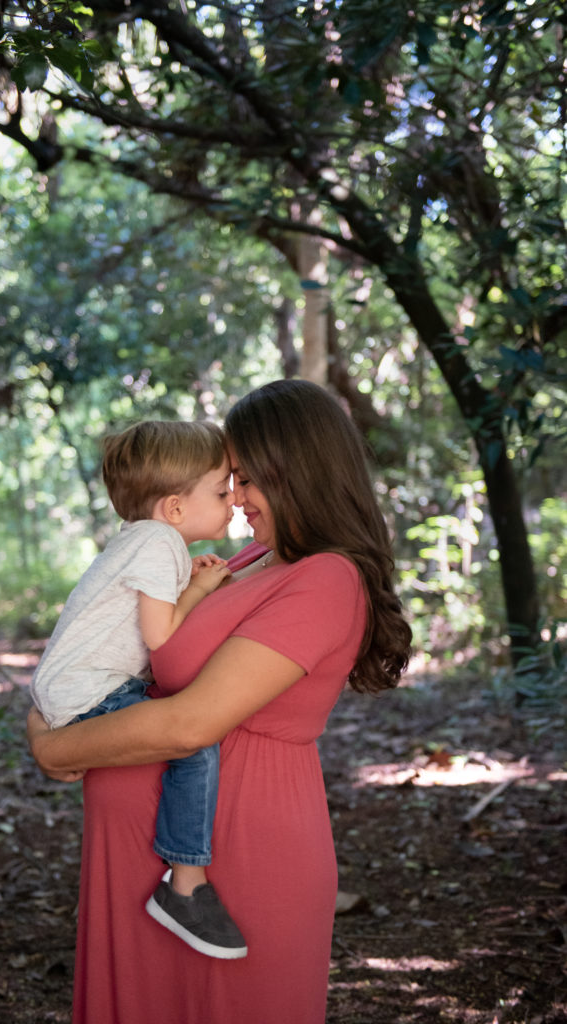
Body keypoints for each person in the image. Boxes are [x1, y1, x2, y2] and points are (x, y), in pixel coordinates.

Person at [27, 379, 412, 1024]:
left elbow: (192, 723)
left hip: (238, 854)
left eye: (246, 477)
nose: (235, 496)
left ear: (295, 473)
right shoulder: (255, 557)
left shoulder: (326, 578)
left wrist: (49, 743)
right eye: (231, 478)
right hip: (152, 859)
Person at [30, 419, 247, 959]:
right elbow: (163, 640)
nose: (233, 500)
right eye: (222, 491)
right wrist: (198, 588)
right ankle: (186, 884)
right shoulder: (159, 543)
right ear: (174, 508)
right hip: (88, 692)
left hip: (72, 686)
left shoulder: (142, 540)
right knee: (192, 746)